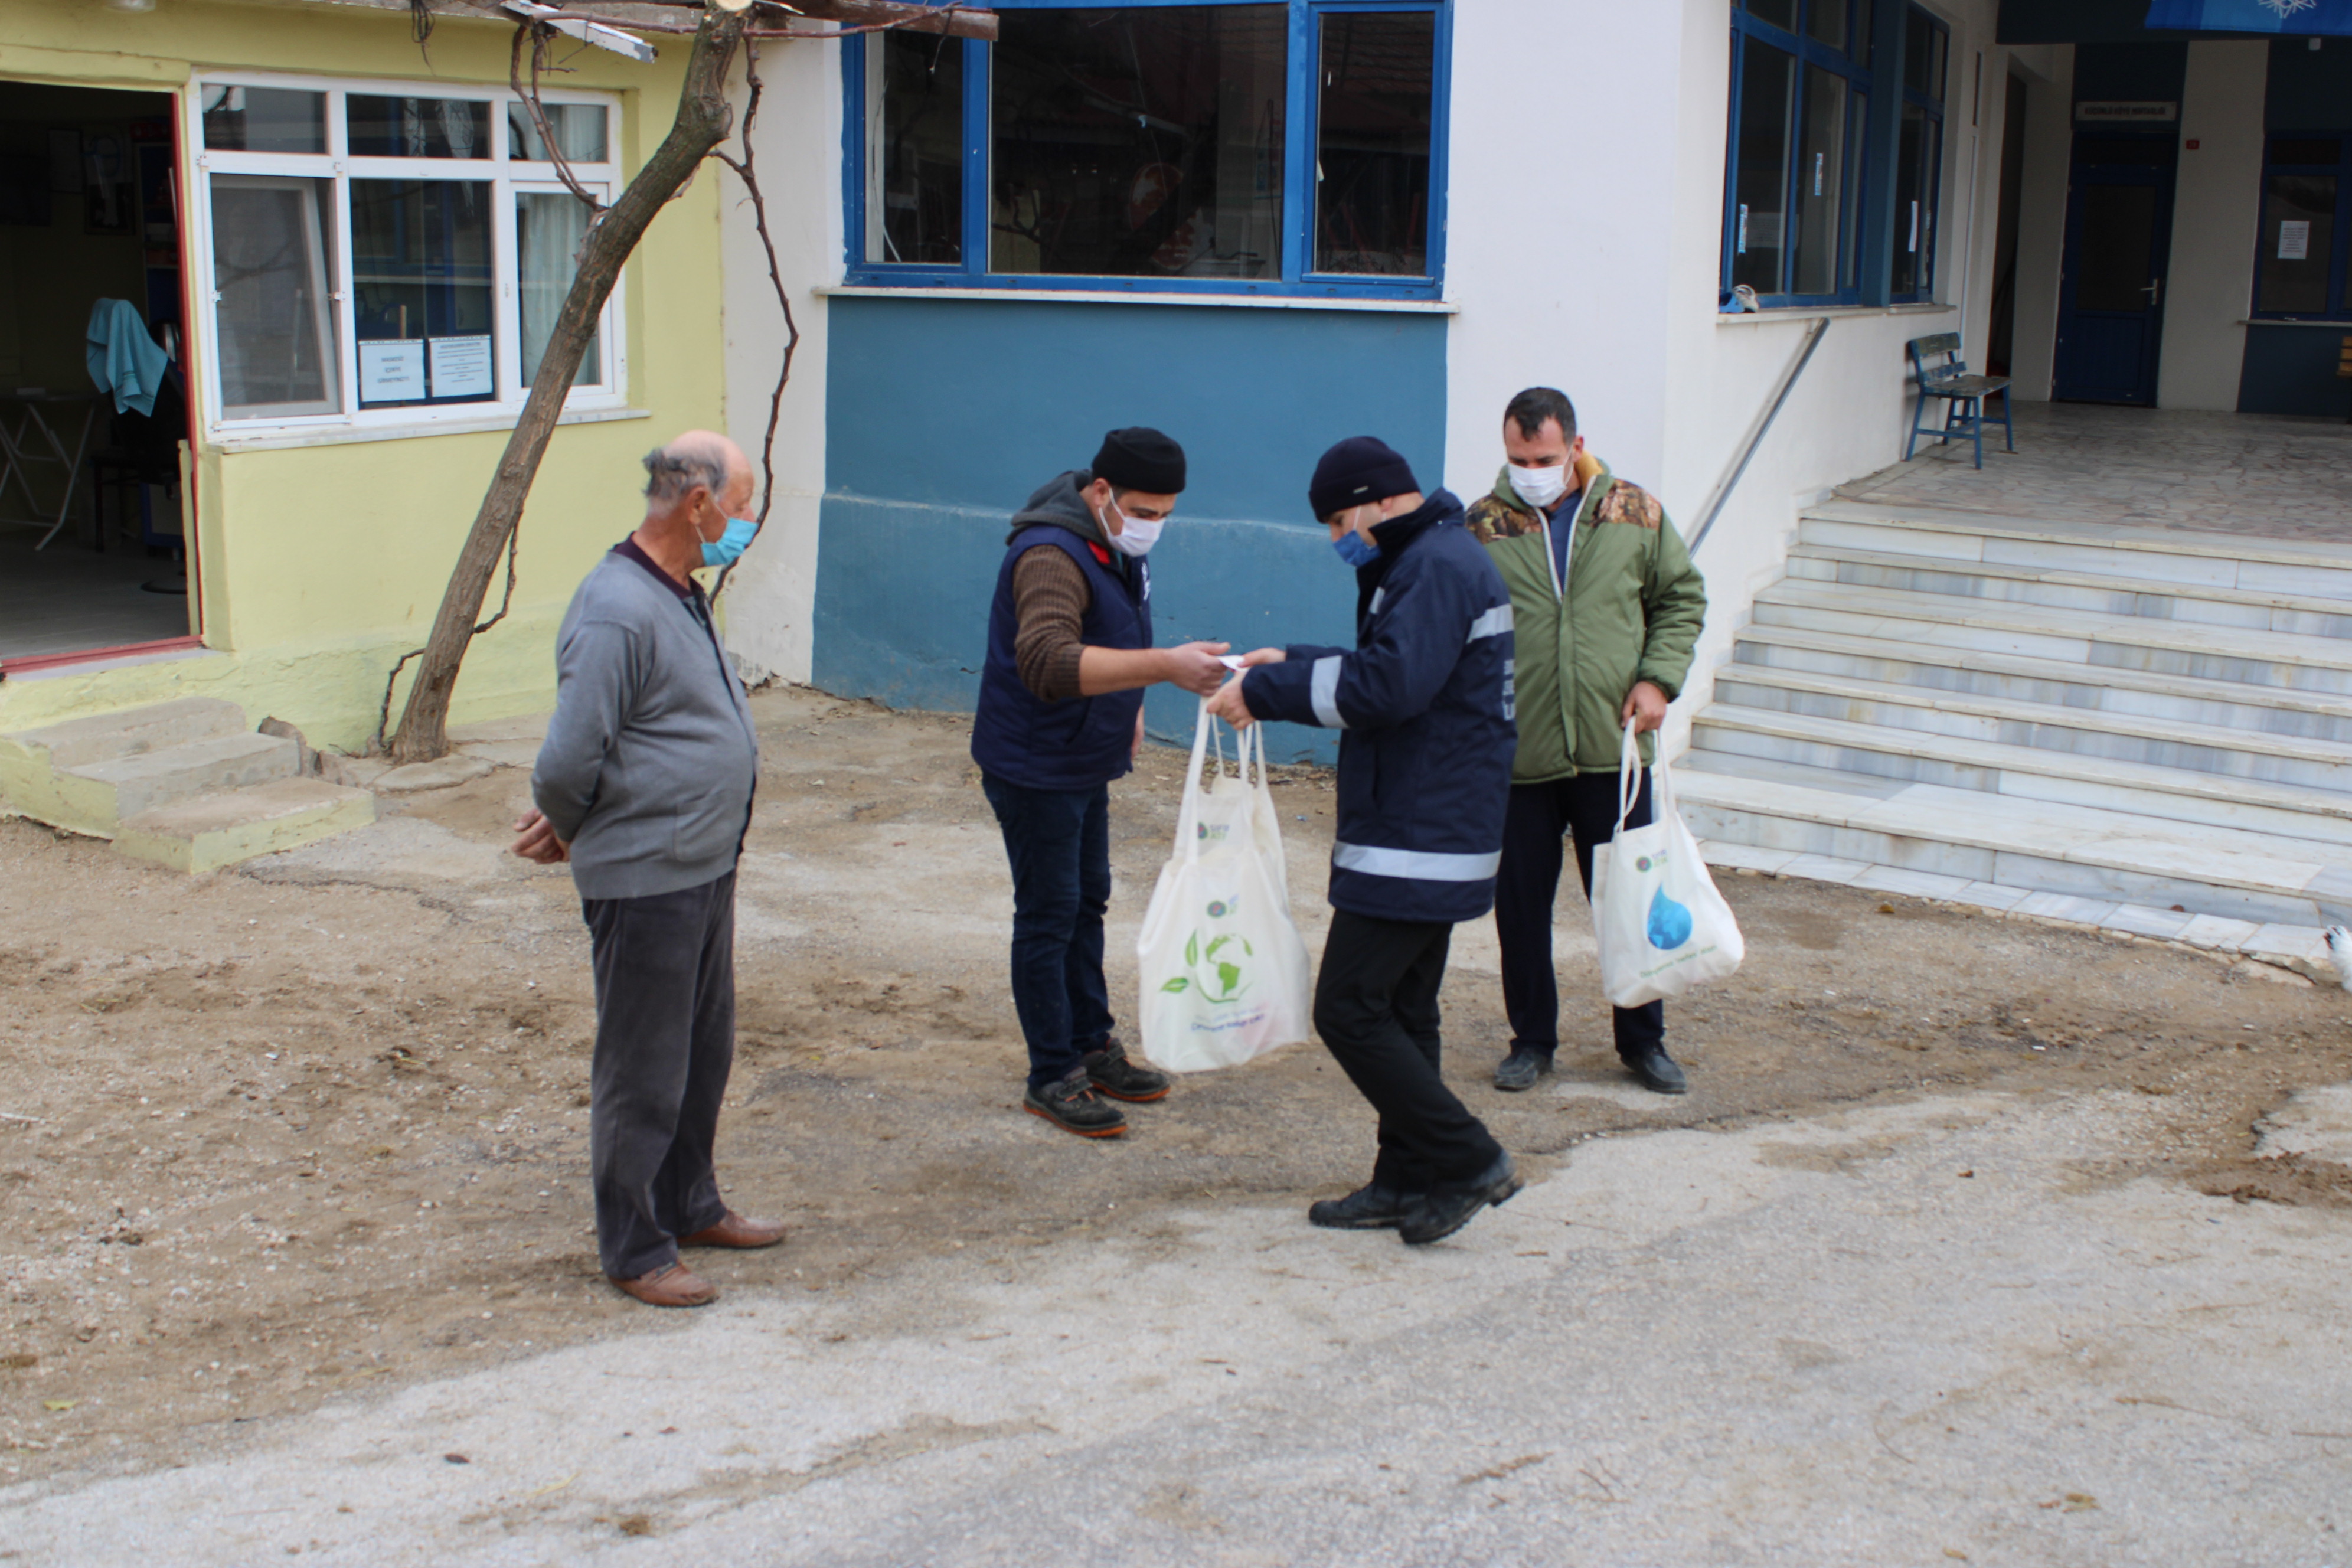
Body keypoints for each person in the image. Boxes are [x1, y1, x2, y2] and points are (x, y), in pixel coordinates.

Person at [1207, 437, 1520, 1246]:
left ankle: (1469, 1158)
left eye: (1342, 519)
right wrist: (1294, 659)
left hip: (1418, 833)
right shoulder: (1431, 561)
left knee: (1348, 1009)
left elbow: (1390, 686)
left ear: (1381, 499)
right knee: (1403, 1011)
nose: (1338, 537)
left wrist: (1267, 690)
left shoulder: (1436, 567)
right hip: (1430, 828)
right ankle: (1406, 1177)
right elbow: (1399, 664)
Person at [512, 430, 782, 1309]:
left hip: (701, 863)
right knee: (644, 1065)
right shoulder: (616, 606)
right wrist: (569, 822)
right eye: (740, 507)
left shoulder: (680, 589)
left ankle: (690, 1203)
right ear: (697, 503)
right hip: (647, 873)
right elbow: (567, 757)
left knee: (703, 1053)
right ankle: (634, 1247)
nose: (746, 523)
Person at [970, 427, 1233, 1138]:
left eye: (1167, 514)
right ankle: (1051, 1073)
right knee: (1050, 912)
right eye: (1145, 510)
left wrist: (1131, 705)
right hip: (1036, 765)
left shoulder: (1112, 545)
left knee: (1088, 901)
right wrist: (1163, 668)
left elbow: (1113, 634)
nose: (1154, 526)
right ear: (1099, 493)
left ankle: (1092, 1043)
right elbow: (1050, 661)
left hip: (1084, 755)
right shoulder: (1052, 555)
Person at [1464, 387, 1707, 1097]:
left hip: (1613, 750)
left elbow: (1680, 599)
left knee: (1632, 903)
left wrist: (1659, 681)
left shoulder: (1634, 511)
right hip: (1523, 756)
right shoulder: (1482, 525)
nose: (1529, 470)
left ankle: (1643, 1042)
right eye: (1516, 458)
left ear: (1575, 445)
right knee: (1521, 909)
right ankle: (1531, 1042)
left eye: (1542, 457)